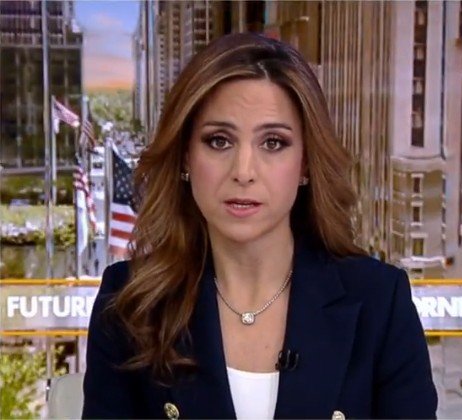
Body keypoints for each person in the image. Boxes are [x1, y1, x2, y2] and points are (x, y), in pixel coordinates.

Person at [83, 33, 438, 419]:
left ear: (305, 164)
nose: (243, 172)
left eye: (273, 143)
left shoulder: (379, 302)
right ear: (186, 156)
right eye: (219, 141)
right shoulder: (128, 304)